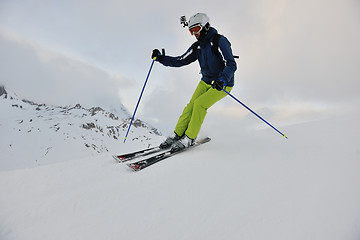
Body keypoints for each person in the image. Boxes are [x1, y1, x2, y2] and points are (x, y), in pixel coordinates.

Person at [152, 13, 237, 152]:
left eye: (196, 29)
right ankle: (177, 134)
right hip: (206, 81)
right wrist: (161, 58)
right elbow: (180, 60)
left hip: (223, 83)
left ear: (205, 26)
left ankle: (190, 138)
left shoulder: (219, 41)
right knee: (190, 106)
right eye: (191, 31)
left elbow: (231, 64)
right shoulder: (198, 46)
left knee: (200, 104)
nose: (193, 34)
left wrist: (222, 79)